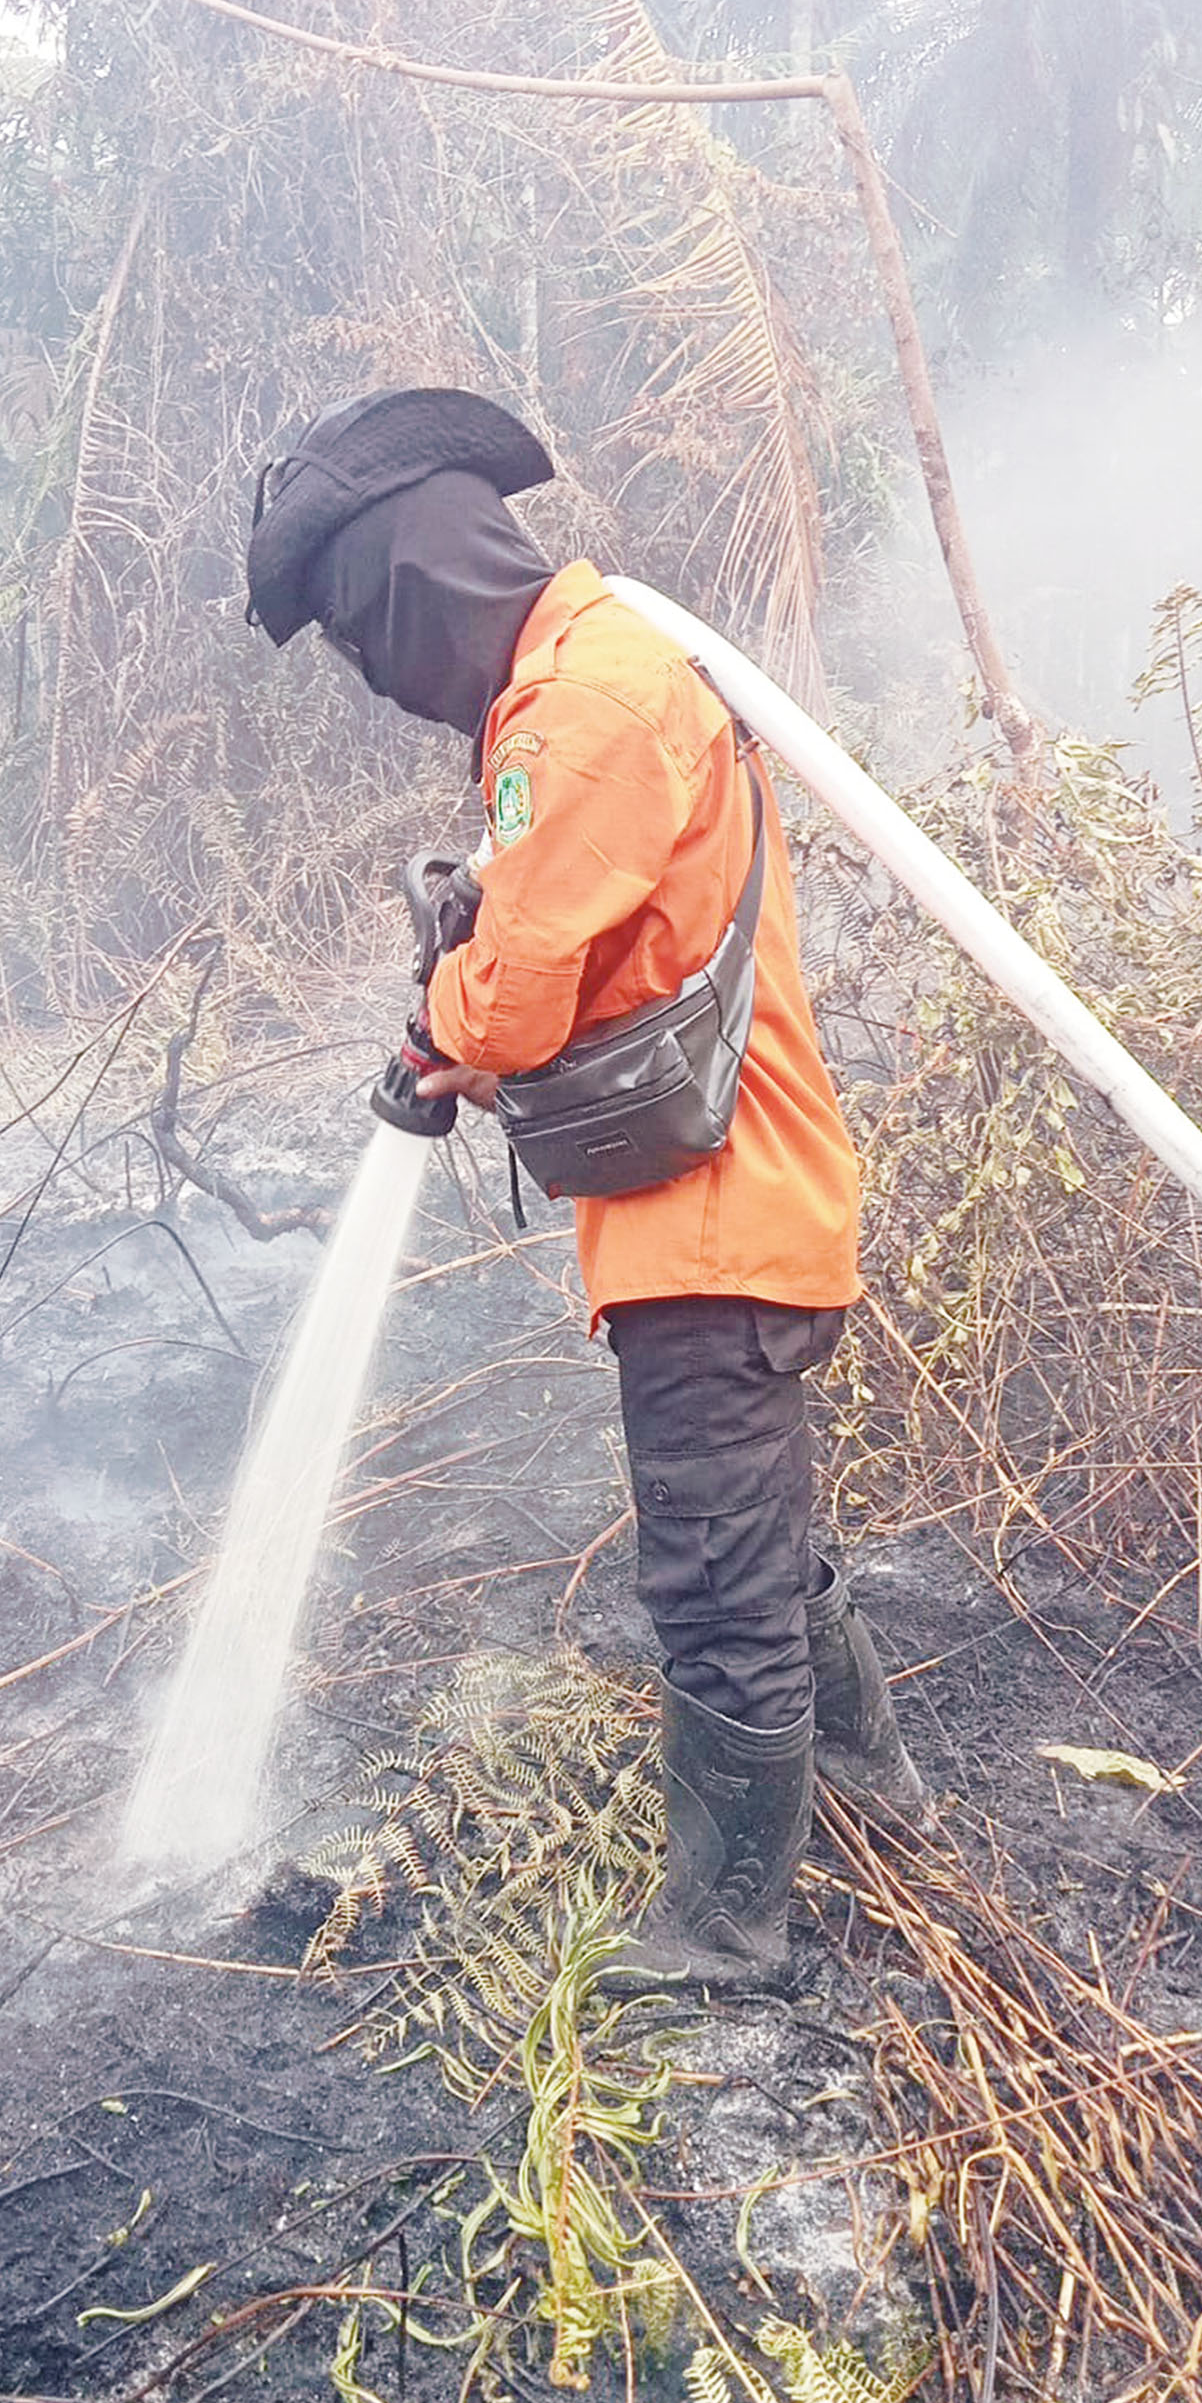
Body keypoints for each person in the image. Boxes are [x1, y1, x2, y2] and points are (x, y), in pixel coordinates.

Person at [246, 387, 924, 1988]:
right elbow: (575, 923)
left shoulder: (588, 708)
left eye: (359, 629)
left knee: (709, 1566)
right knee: (758, 1532)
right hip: (731, 1210)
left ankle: (728, 1922)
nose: (370, 669)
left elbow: (529, 985)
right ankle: (870, 1781)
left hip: (718, 1229)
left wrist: (440, 1026)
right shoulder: (587, 682)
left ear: (413, 580)